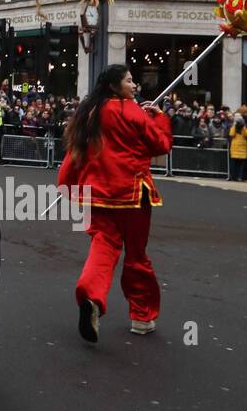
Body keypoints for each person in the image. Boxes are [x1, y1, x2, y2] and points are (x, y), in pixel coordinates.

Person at [58, 64, 172, 344]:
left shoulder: (90, 113)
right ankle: (142, 316)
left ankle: (91, 294)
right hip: (132, 193)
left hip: (97, 194)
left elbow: (75, 152)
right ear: (114, 86)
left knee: (103, 245)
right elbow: (160, 145)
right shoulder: (131, 110)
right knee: (136, 255)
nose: (135, 86)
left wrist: (66, 183)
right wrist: (159, 119)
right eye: (130, 81)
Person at [228, 113, 247, 181]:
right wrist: (234, 125)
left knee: (241, 165)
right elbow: (231, 134)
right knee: (234, 164)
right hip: (235, 148)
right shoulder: (233, 127)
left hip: (242, 148)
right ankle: (233, 176)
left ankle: (239, 177)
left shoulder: (244, 127)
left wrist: (243, 126)